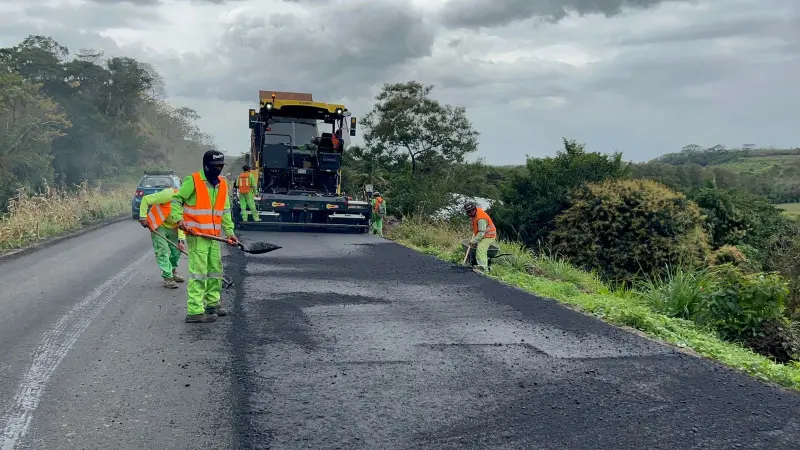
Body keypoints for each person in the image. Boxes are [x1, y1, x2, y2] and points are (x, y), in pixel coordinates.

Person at [171, 150, 239, 324]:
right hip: (197, 235)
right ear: (206, 166)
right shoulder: (192, 181)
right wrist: (179, 220)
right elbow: (176, 200)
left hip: (214, 237)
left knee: (215, 271)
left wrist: (230, 232)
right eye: (215, 166)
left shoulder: (223, 183)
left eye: (221, 166)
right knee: (199, 273)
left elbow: (224, 211)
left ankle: (212, 304)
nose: (219, 169)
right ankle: (195, 311)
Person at [139, 184, 186, 288]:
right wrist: (143, 217)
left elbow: (184, 222)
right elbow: (145, 199)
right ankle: (168, 277)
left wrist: (181, 240)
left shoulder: (189, 204)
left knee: (176, 251)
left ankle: (173, 271)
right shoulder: (168, 194)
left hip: (174, 227)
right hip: (159, 225)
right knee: (162, 250)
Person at [464, 201, 497, 273]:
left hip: (489, 235)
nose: (469, 213)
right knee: (481, 250)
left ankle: (483, 268)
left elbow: (481, 233)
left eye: (471, 211)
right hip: (483, 235)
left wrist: (473, 241)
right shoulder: (475, 214)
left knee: (481, 249)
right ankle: (484, 266)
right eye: (468, 212)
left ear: (474, 209)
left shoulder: (481, 218)